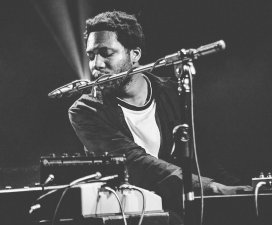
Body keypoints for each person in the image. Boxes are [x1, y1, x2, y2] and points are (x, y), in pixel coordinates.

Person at [68, 10, 250, 213]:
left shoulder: (173, 93)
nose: (96, 65)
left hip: (179, 213)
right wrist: (213, 188)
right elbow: (135, 163)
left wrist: (245, 192)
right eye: (91, 56)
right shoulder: (86, 111)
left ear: (135, 54)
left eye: (106, 53)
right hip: (129, 216)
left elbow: (202, 160)